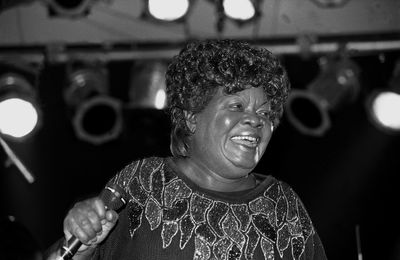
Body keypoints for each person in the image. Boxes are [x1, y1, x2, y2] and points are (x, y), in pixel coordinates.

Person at [46, 39, 327, 260]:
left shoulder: (283, 204)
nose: (256, 120)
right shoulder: (144, 182)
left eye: (265, 114)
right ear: (193, 116)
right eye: (237, 106)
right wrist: (81, 246)